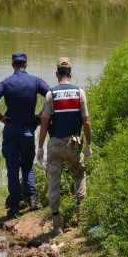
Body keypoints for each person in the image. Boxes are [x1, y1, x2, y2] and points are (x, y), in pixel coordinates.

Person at [0, 52, 50, 218]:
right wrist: (41, 114)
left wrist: (0, 117)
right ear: (26, 64)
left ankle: (14, 204)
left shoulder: (7, 82)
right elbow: (51, 95)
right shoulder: (36, 81)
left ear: (13, 65)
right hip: (28, 130)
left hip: (11, 129)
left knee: (12, 167)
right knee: (27, 165)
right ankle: (32, 200)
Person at [37, 57, 92, 236]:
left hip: (54, 144)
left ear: (56, 74)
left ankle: (56, 224)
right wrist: (89, 145)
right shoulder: (79, 93)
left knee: (54, 182)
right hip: (73, 144)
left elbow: (44, 123)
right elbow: (86, 122)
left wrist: (40, 148)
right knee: (79, 175)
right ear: (71, 74)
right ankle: (80, 218)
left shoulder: (51, 94)